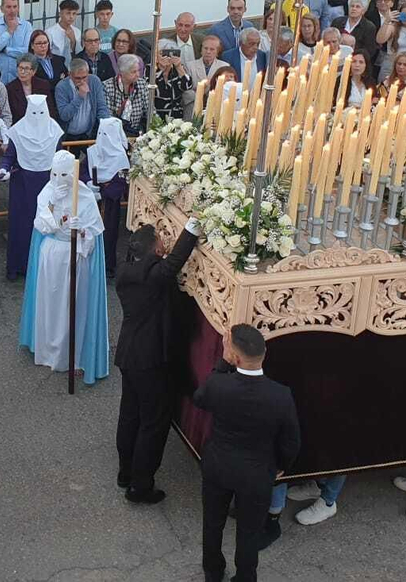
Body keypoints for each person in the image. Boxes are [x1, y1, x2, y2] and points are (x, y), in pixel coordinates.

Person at [195, 324, 301, 582]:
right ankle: (245, 576)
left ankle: (213, 571)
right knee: (249, 531)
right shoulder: (280, 395)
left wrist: (222, 361)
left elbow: (200, 399)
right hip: (257, 473)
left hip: (218, 466)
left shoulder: (219, 384)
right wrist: (281, 465)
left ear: (235, 357)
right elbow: (291, 440)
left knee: (212, 523)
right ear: (263, 354)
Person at [116, 220, 200, 503]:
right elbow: (174, 261)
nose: (165, 244)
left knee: (130, 414)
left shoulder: (126, 271)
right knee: (153, 422)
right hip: (150, 359)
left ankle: (125, 471)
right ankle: (141, 485)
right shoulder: (153, 276)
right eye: (161, 241)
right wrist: (192, 227)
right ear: (154, 250)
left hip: (129, 354)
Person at [20, 150, 109, 384]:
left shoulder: (85, 196)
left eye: (64, 174)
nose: (59, 178)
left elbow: (92, 238)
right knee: (50, 304)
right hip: (52, 256)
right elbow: (42, 225)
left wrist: (82, 231)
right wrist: (53, 206)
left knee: (73, 305)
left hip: (75, 257)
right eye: (55, 173)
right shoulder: (47, 192)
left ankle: (73, 355)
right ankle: (47, 349)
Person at [2, 94, 60, 278]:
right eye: (33, 112)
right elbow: (9, 155)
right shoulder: (18, 131)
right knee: (21, 225)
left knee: (46, 222)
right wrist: (3, 169)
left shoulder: (54, 130)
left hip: (47, 183)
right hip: (22, 185)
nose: (37, 117)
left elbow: (60, 158)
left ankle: (42, 267)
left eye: (40, 113)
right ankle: (18, 266)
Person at [87, 115, 131, 264]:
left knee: (108, 234)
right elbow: (83, 171)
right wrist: (88, 184)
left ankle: (107, 264)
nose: (102, 138)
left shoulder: (121, 158)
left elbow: (121, 183)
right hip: (91, 201)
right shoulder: (92, 152)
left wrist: (103, 193)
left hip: (110, 205)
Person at [56, 58, 110, 141]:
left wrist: (105, 126)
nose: (81, 81)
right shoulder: (61, 87)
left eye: (84, 77)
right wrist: (80, 96)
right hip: (68, 135)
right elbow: (64, 116)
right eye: (77, 78)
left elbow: (101, 107)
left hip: (89, 133)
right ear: (69, 74)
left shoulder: (94, 81)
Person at [0, 0, 32, 84]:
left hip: (18, 76)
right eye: (8, 7)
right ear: (1, 9)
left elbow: (25, 51)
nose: (12, 10)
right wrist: (9, 31)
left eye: (15, 6)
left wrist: (4, 49)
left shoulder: (26, 26)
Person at [6, 55, 59, 125]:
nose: (22, 72)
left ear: (34, 71)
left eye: (26, 69)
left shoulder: (43, 85)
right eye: (20, 68)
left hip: (42, 126)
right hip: (20, 127)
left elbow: (50, 109)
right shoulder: (10, 88)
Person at [106, 54, 151, 137]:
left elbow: (150, 111)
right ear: (122, 72)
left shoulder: (142, 84)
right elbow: (108, 118)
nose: (138, 74)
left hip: (137, 132)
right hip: (115, 134)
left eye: (138, 70)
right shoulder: (107, 87)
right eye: (133, 72)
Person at [153, 46, 196, 121]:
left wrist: (179, 67)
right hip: (156, 113)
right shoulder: (150, 69)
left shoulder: (177, 69)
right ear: (156, 56)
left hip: (176, 113)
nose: (166, 57)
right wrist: (161, 70)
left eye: (169, 53)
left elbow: (187, 87)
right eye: (162, 53)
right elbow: (150, 88)